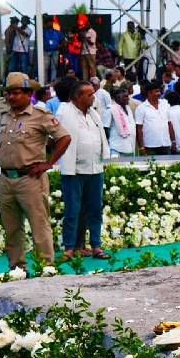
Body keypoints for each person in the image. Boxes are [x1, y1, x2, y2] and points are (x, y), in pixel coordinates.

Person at [0, 73, 71, 270]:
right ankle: (17, 269)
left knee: (39, 226)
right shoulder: (4, 116)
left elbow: (64, 138)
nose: (11, 97)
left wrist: (48, 164)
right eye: (8, 93)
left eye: (16, 93)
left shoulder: (40, 115)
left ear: (28, 94)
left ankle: (46, 268)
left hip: (31, 179)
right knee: (12, 229)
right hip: (6, 179)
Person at [58, 81, 110, 260]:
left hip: (95, 168)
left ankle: (96, 246)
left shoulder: (94, 113)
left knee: (95, 209)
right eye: (89, 94)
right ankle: (70, 248)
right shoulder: (64, 112)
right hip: (75, 170)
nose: (93, 97)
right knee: (73, 210)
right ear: (78, 97)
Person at [134, 82, 176, 155]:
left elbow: (169, 124)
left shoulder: (165, 104)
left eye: (159, 91)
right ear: (149, 93)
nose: (159, 93)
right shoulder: (141, 108)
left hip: (165, 144)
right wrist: (141, 147)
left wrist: (173, 141)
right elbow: (139, 129)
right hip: (150, 146)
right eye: (156, 91)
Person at [105, 86, 137, 157]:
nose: (128, 98)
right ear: (118, 98)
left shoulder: (128, 109)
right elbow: (105, 129)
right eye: (125, 96)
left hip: (129, 146)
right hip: (116, 148)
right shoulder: (110, 110)